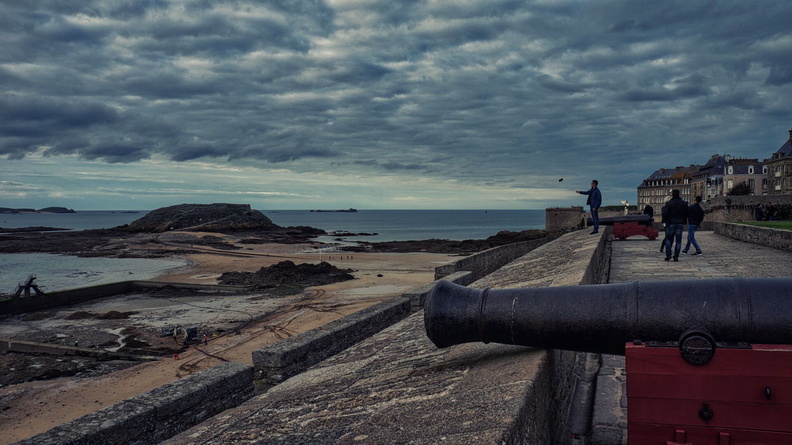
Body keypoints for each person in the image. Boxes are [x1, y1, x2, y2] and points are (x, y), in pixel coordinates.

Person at [661, 189, 688, 262]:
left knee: (668, 239)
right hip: (680, 224)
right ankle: (676, 256)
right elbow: (686, 213)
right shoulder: (683, 203)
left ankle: (668, 255)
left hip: (671, 224)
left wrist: (666, 221)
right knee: (678, 241)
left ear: (672, 194)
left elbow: (665, 214)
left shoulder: (669, 203)